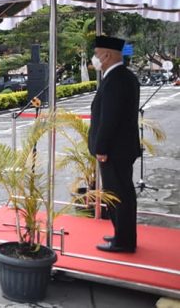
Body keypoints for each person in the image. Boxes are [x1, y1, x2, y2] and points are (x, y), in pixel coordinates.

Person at [88, 35, 140, 253]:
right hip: (121, 149)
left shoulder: (115, 79)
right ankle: (122, 235)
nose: (94, 59)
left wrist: (101, 148)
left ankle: (124, 241)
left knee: (118, 195)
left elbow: (110, 119)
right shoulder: (124, 76)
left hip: (114, 150)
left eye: (97, 54)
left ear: (107, 55)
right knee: (123, 193)